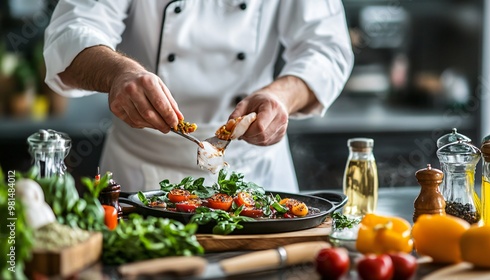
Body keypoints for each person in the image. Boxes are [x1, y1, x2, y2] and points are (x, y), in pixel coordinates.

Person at [43, 0, 354, 192]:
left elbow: (327, 49)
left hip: (254, 169)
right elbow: (71, 32)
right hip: (140, 169)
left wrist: (281, 96)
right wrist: (118, 73)